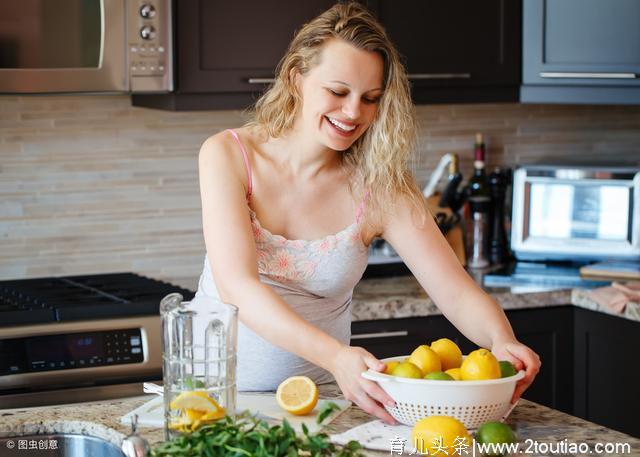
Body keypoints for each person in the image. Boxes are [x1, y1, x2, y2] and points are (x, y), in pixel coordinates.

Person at [192, 2, 540, 424]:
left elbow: (455, 291)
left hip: (317, 407)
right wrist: (337, 356)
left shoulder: (381, 184)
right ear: (295, 79)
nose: (354, 112)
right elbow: (238, 288)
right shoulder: (229, 155)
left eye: (370, 98)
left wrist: (501, 339)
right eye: (338, 92)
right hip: (211, 399)